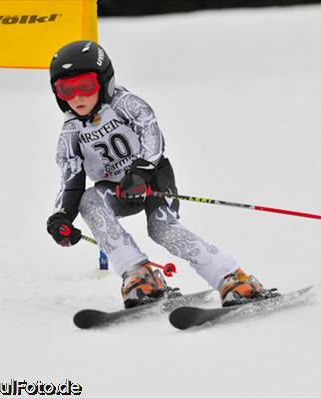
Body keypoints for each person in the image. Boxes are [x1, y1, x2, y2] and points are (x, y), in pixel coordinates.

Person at [46, 40, 275, 309]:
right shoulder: (70, 133)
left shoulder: (125, 104)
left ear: (104, 81)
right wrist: (61, 216)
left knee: (162, 229)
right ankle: (139, 275)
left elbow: (151, 134)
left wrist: (141, 172)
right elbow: (70, 179)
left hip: (153, 179)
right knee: (89, 200)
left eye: (85, 85)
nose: (76, 97)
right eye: (66, 89)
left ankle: (233, 278)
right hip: (117, 190)